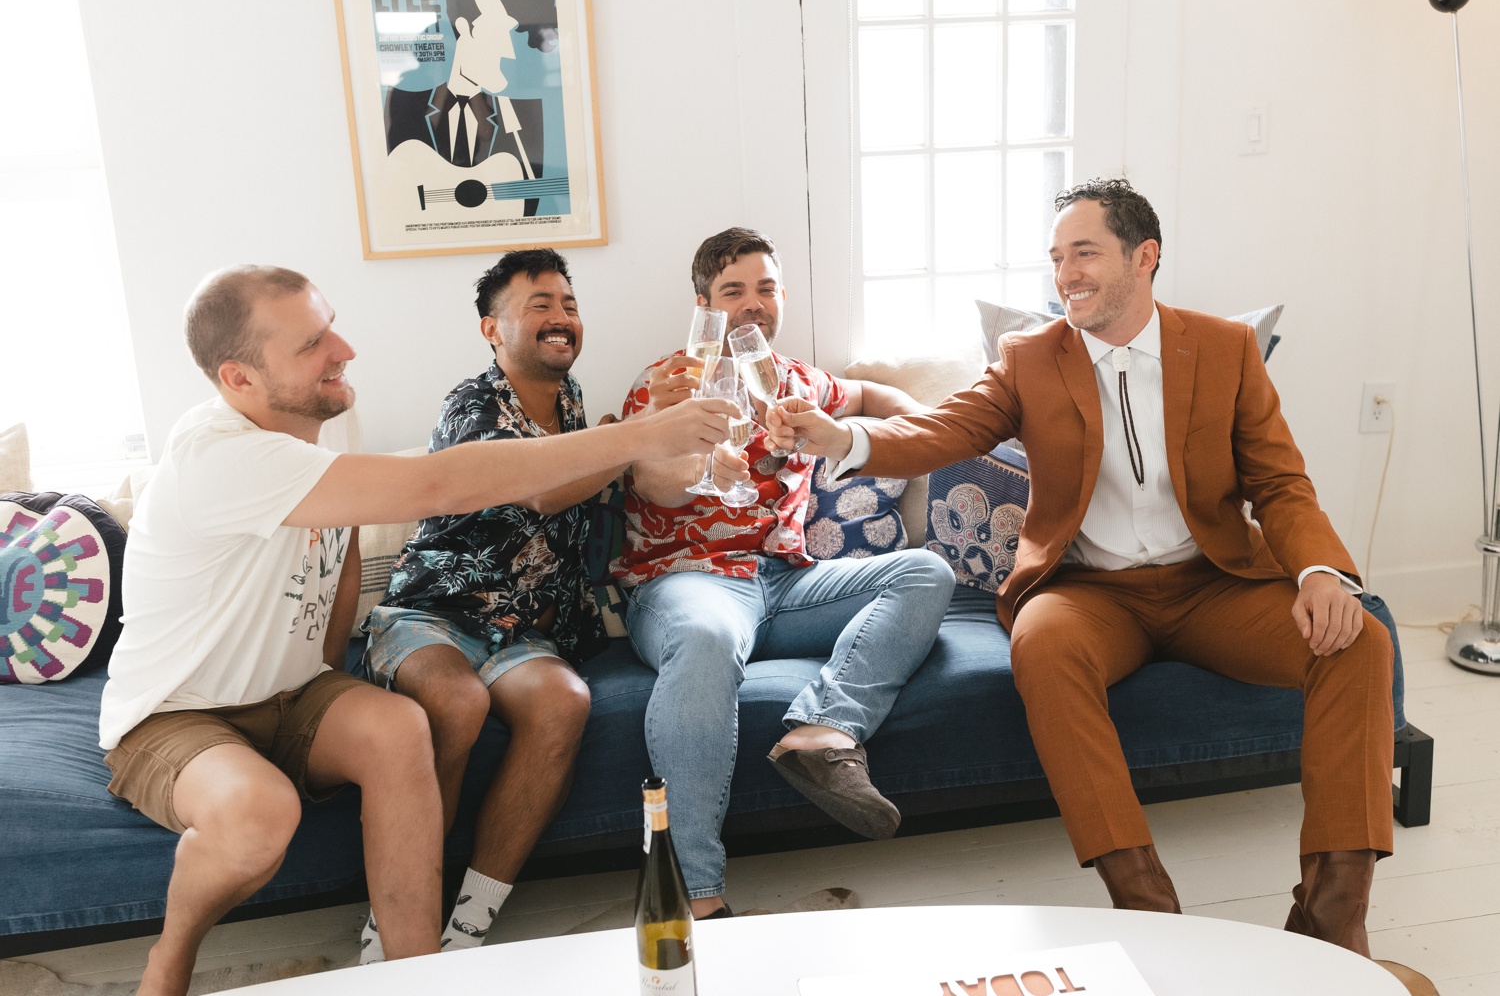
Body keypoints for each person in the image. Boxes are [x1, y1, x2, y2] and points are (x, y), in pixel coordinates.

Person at [774, 178, 1397, 957]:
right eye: (1057, 257)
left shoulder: (1225, 348)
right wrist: (845, 440)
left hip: (1213, 584)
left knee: (1360, 640)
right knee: (1043, 643)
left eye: (1085, 253)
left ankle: (1333, 915)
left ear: (1145, 257)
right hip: (1091, 593)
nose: (1066, 272)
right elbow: (947, 429)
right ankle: (1145, 908)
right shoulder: (1031, 358)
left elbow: (1278, 483)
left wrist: (1320, 572)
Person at [96, 265, 734, 996]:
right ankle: (168, 961)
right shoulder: (220, 456)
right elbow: (444, 484)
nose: (344, 349)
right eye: (312, 343)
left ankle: (416, 976)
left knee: (402, 728)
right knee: (259, 813)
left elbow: (338, 560)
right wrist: (644, 433)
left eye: (330, 323)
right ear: (239, 379)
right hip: (179, 713)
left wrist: (331, 680)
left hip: (291, 694)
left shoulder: (327, 415)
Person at [614, 227, 956, 919]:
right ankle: (697, 899)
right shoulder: (667, 383)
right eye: (734, 291)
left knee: (924, 571)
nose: (753, 305)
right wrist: (706, 465)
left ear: (781, 299)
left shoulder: (798, 383)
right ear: (705, 304)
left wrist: (933, 433)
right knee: (708, 641)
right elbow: (655, 484)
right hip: (689, 581)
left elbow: (871, 396)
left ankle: (822, 731)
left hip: (788, 583)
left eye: (765, 289)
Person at [359, 249, 622, 956]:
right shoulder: (472, 404)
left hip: (517, 633)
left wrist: (622, 438)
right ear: (492, 329)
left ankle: (469, 924)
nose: (561, 318)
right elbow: (533, 489)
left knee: (565, 701)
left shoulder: (570, 405)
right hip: (432, 615)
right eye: (539, 305)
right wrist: (630, 440)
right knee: (455, 703)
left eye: (568, 304)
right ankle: (395, 918)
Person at [383, 0, 547, 214]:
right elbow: (414, 141)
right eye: (444, 53)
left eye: (454, 53)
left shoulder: (468, 85)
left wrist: (469, 86)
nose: (449, 60)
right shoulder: (408, 88)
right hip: (423, 177)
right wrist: (442, 84)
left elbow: (487, 132)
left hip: (465, 171)